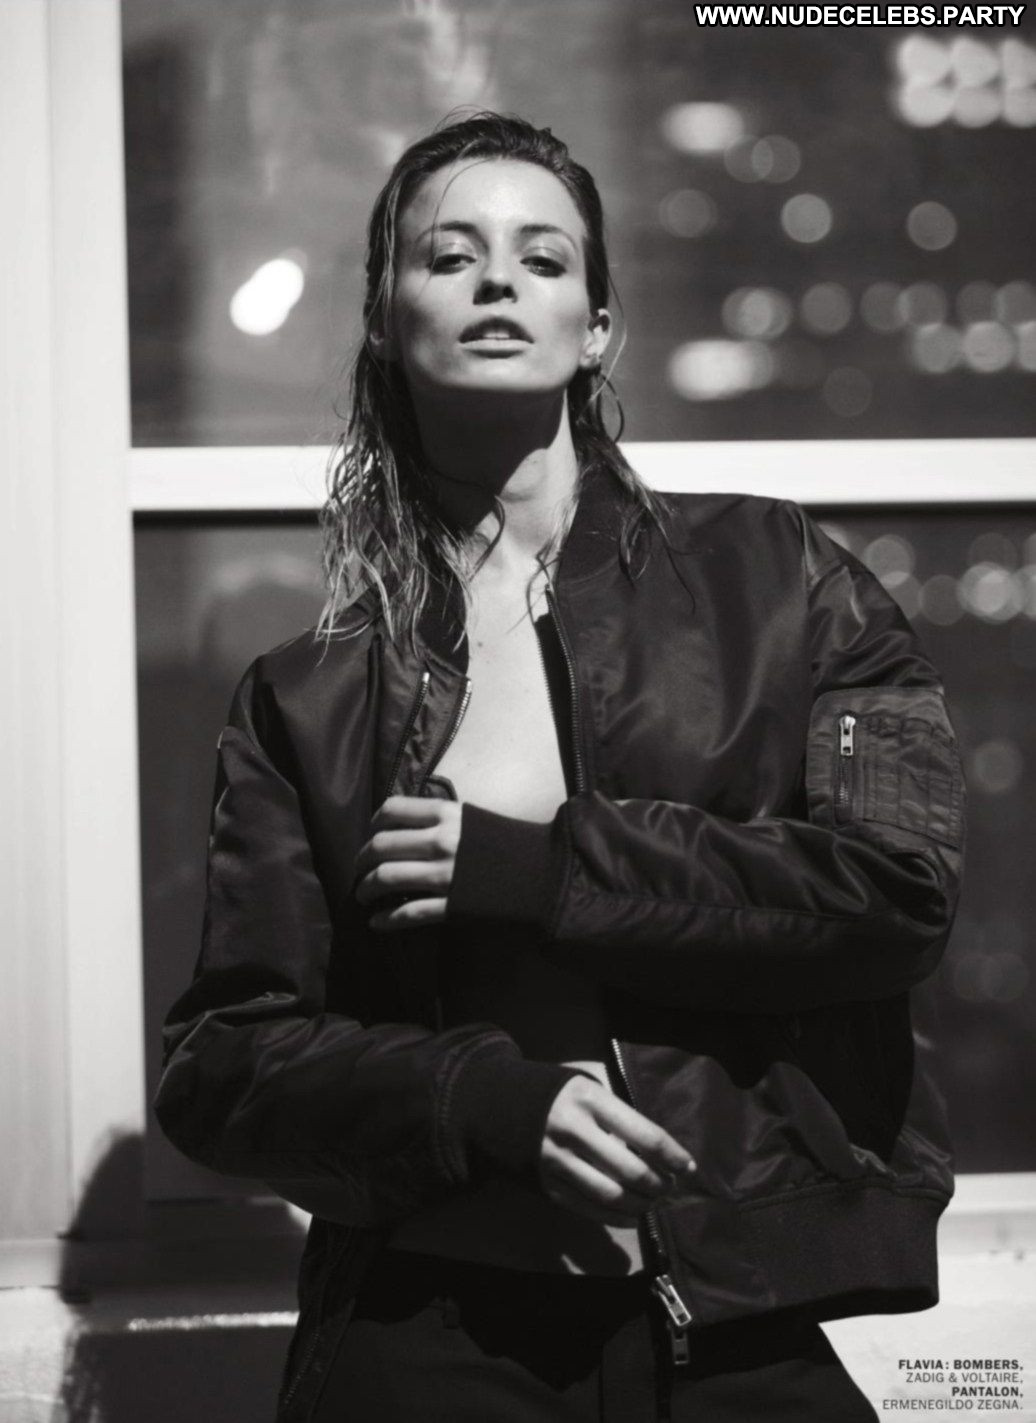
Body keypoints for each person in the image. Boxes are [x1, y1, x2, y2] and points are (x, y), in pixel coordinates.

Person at [154, 111, 965, 1422]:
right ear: (384, 321)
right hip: (428, 1335)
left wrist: (541, 873)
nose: (497, 282)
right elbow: (224, 1068)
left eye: (541, 258)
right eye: (450, 256)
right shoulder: (308, 695)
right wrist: (483, 1100)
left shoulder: (784, 580)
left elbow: (900, 893)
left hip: (734, 1334)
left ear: (596, 328)